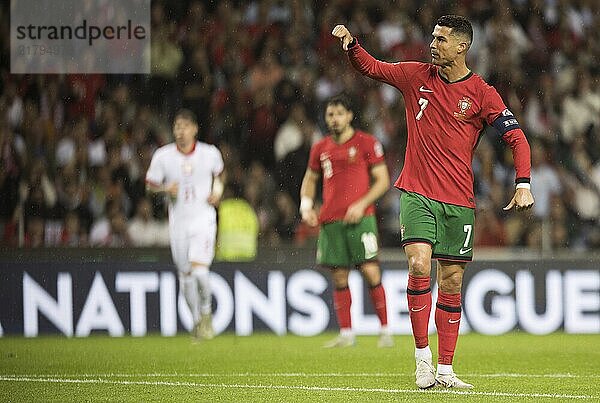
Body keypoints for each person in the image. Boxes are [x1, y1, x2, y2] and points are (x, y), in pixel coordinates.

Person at [332, 15, 534, 389]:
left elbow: (517, 138)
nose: (433, 44)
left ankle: (445, 369)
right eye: (433, 37)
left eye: (441, 39)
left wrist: (522, 183)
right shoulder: (415, 76)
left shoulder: (482, 93)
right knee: (419, 263)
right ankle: (422, 357)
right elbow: (373, 67)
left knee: (453, 281)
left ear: (462, 46)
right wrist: (352, 46)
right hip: (417, 191)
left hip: (459, 200)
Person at [299, 95, 393, 349]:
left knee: (370, 270)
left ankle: (385, 330)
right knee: (339, 276)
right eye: (330, 114)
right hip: (331, 220)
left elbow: (383, 180)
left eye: (339, 113)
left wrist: (361, 204)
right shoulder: (320, 148)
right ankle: (347, 334)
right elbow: (309, 180)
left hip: (361, 219)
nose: (335, 119)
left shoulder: (367, 143)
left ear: (350, 115)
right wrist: (306, 206)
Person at [145, 109, 225, 341]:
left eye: (185, 126)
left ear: (195, 129)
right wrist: (164, 189)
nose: (181, 131)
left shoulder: (210, 153)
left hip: (203, 219)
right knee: (186, 276)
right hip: (178, 223)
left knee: (200, 271)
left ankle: (207, 313)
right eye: (177, 127)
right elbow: (149, 185)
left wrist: (217, 192)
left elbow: (219, 176)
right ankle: (196, 321)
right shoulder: (163, 156)